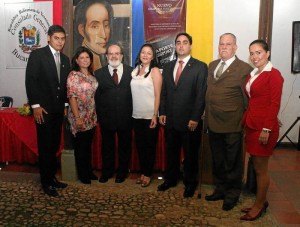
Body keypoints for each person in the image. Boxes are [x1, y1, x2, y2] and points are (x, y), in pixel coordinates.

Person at [205, 33, 253, 210]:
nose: (223, 47)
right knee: (218, 160)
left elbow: (248, 98)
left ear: (235, 47)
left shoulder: (244, 69)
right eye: (221, 44)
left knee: (232, 161)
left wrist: (247, 123)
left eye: (228, 44)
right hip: (213, 122)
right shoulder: (212, 65)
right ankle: (220, 189)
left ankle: (232, 194)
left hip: (232, 124)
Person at [158, 32, 208, 198]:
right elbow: (164, 91)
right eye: (178, 42)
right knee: (171, 152)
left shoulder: (200, 67)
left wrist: (195, 117)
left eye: (185, 42)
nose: (181, 45)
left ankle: (190, 183)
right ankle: (170, 179)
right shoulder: (168, 66)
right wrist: (162, 112)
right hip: (170, 119)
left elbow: (201, 94)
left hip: (189, 121)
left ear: (190, 45)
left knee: (190, 155)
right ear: (175, 46)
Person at [240, 40, 284, 221]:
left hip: (263, 128)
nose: (254, 56)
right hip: (252, 124)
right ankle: (260, 200)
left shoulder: (274, 75)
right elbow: (259, 100)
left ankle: (259, 205)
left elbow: (274, 103)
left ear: (268, 53)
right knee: (256, 166)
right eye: (252, 53)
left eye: (258, 52)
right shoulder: (255, 73)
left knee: (261, 169)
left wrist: (267, 127)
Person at [25, 25, 71, 197]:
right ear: (49, 38)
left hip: (58, 111)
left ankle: (52, 177)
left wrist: (65, 107)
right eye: (57, 38)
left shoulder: (65, 59)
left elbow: (65, 86)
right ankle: (45, 182)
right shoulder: (37, 55)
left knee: (53, 146)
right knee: (45, 147)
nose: (60, 41)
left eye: (62, 38)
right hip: (43, 110)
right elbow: (31, 81)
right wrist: (35, 106)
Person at [95, 43, 133, 183]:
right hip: (107, 119)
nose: (114, 56)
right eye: (111, 53)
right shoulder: (99, 74)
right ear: (106, 57)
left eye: (117, 53)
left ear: (122, 56)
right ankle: (107, 172)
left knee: (125, 147)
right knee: (107, 147)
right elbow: (97, 97)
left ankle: (122, 172)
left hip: (126, 118)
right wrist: (100, 116)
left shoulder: (132, 72)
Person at [131, 44, 162, 187]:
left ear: (153, 56)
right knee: (141, 147)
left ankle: (148, 175)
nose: (145, 55)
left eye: (149, 53)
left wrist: (155, 115)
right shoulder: (135, 70)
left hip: (150, 117)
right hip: (136, 116)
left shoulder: (155, 71)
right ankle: (143, 173)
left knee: (149, 147)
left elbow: (158, 95)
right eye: (143, 52)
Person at [67, 46, 98, 184]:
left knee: (87, 147)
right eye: (82, 58)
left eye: (87, 57)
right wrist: (78, 117)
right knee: (80, 147)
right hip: (78, 117)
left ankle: (88, 171)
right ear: (77, 60)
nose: (85, 60)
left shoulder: (92, 76)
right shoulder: (73, 75)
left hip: (91, 117)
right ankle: (83, 174)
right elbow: (72, 97)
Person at [74, 0, 113, 71]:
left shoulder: (108, 62)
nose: (103, 35)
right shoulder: (76, 70)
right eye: (95, 26)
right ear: (82, 30)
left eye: (106, 25)